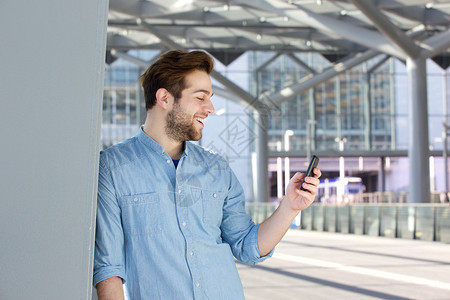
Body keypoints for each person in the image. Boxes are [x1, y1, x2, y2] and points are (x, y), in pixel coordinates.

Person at [94, 50, 321, 299]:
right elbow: (108, 268)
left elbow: (247, 246)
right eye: (201, 97)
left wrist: (290, 206)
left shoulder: (217, 169)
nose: (210, 108)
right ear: (164, 98)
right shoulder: (112, 168)